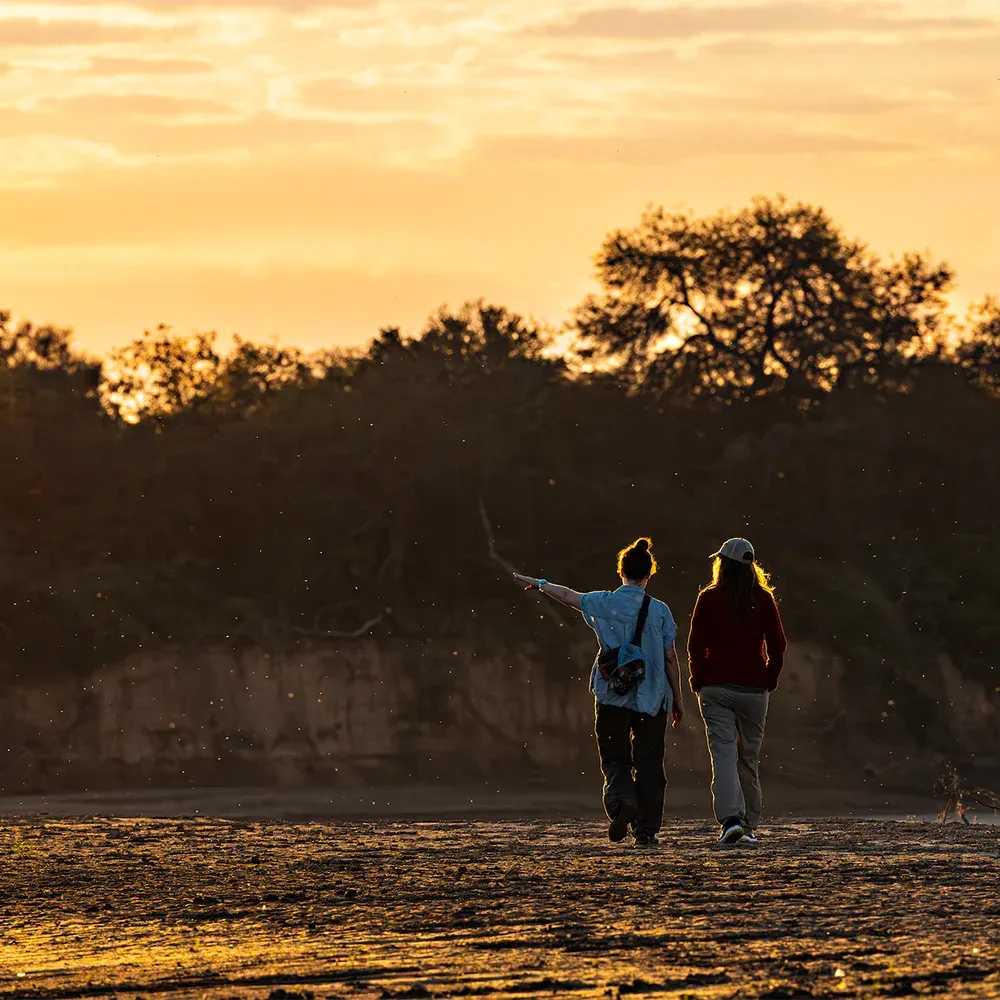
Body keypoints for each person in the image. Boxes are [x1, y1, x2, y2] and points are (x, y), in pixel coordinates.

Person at [513, 537, 684, 848]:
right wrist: (678, 701)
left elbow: (567, 596)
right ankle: (646, 831)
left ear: (621, 572)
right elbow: (671, 657)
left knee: (615, 759)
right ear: (648, 575)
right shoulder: (660, 611)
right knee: (650, 764)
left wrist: (539, 584)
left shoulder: (602, 601)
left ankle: (622, 802)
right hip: (652, 698)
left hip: (612, 695)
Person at [687, 537, 787, 846]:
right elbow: (778, 645)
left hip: (716, 686)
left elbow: (695, 644)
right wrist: (769, 677)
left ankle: (730, 821)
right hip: (754, 689)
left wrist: (698, 677)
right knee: (749, 759)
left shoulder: (709, 597)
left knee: (724, 754)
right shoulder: (764, 599)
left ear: (722, 564)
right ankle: (749, 826)